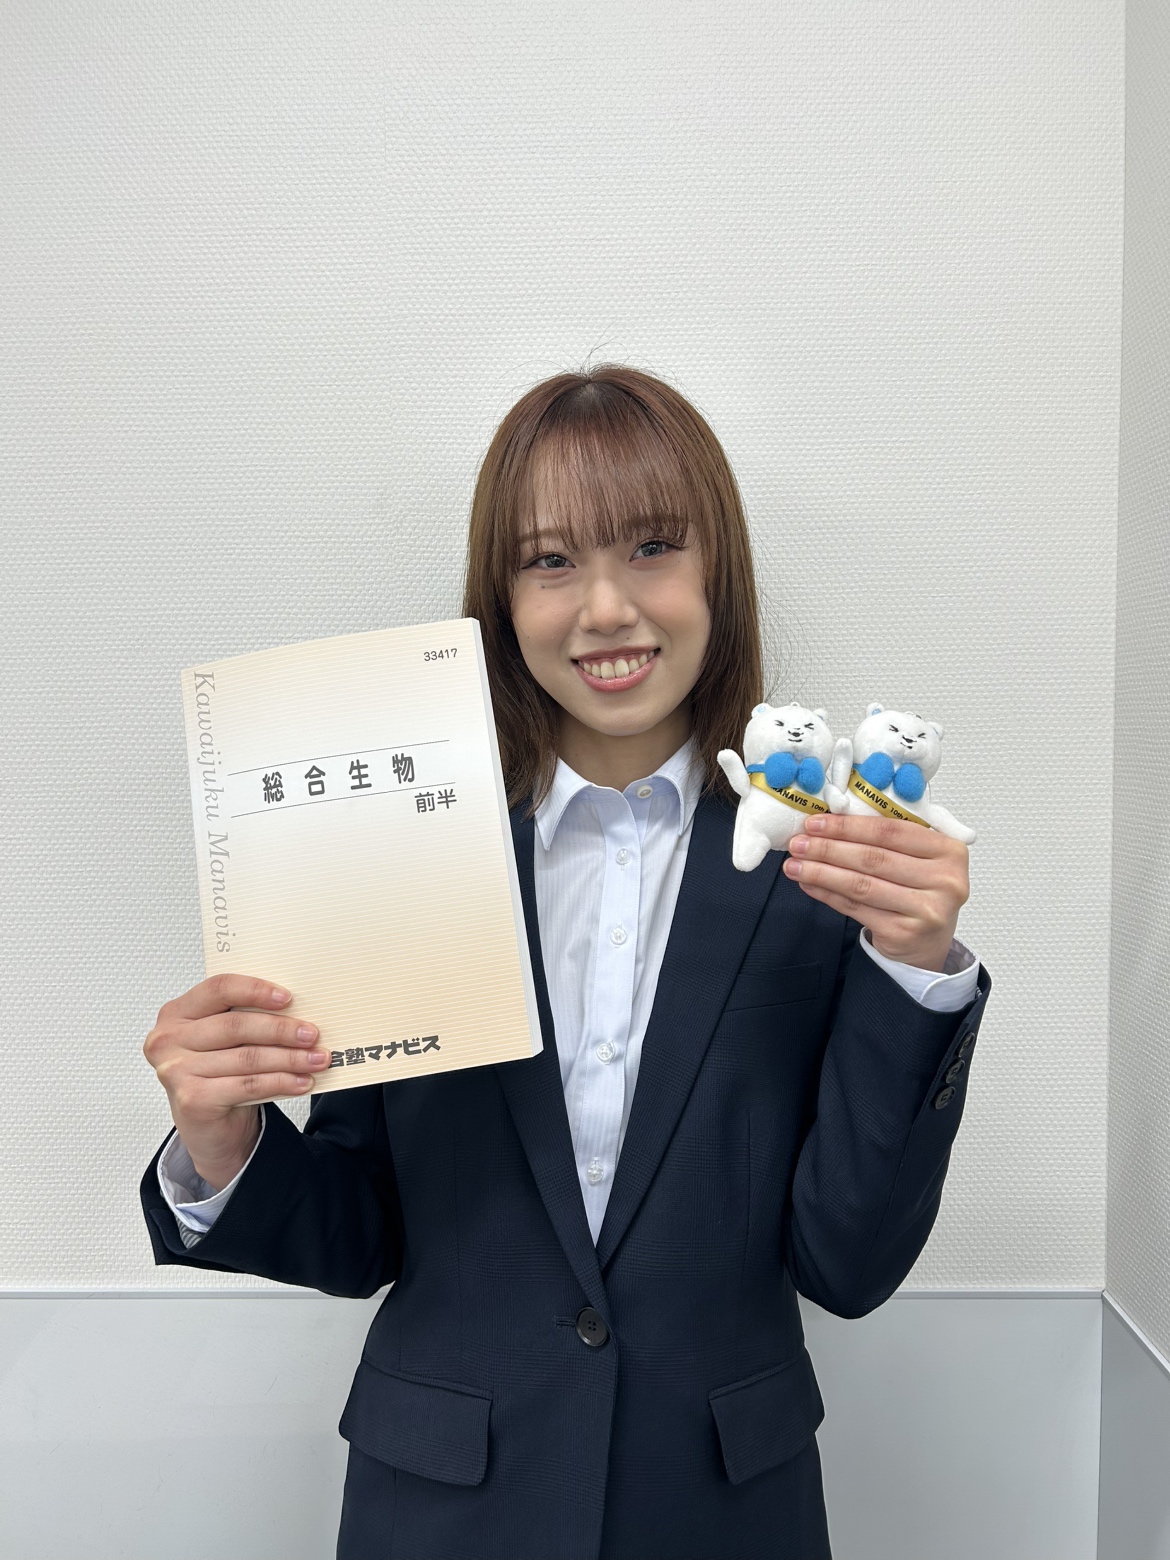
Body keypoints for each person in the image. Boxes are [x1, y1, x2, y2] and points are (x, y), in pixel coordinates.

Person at [141, 365, 989, 1560]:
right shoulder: (402, 858)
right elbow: (362, 1232)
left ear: (720, 571)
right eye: (549, 560)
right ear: (498, 599)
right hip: (443, 1510)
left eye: (652, 547)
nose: (605, 608)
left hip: (721, 1515)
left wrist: (915, 972)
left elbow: (846, 1266)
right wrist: (222, 1141)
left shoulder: (823, 868)